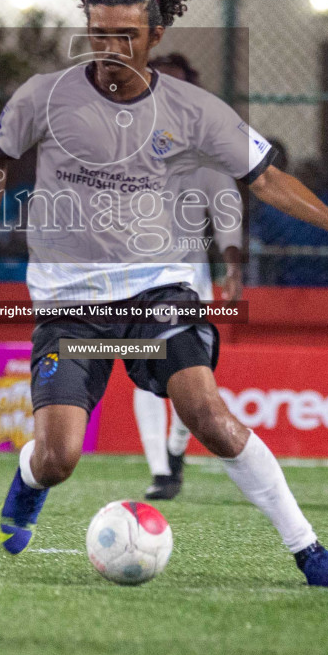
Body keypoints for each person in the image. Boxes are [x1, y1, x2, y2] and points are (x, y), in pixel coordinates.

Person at [0, 0, 328, 588]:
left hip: (156, 292)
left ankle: (309, 553)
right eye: (98, 34)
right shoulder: (44, 98)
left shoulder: (193, 110)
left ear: (155, 36)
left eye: (125, 37)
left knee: (208, 415)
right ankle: (29, 481)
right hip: (68, 306)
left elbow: (265, 178)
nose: (108, 50)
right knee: (59, 458)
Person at [133, 53, 245, 501]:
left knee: (191, 372)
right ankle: (161, 471)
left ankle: (176, 450)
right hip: (132, 273)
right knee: (140, 363)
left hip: (188, 277)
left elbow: (225, 212)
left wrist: (233, 266)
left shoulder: (207, 149)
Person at [253, 146, 328, 287]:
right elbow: (260, 242)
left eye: (312, 176)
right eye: (302, 176)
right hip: (286, 281)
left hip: (326, 280)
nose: (307, 180)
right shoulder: (276, 206)